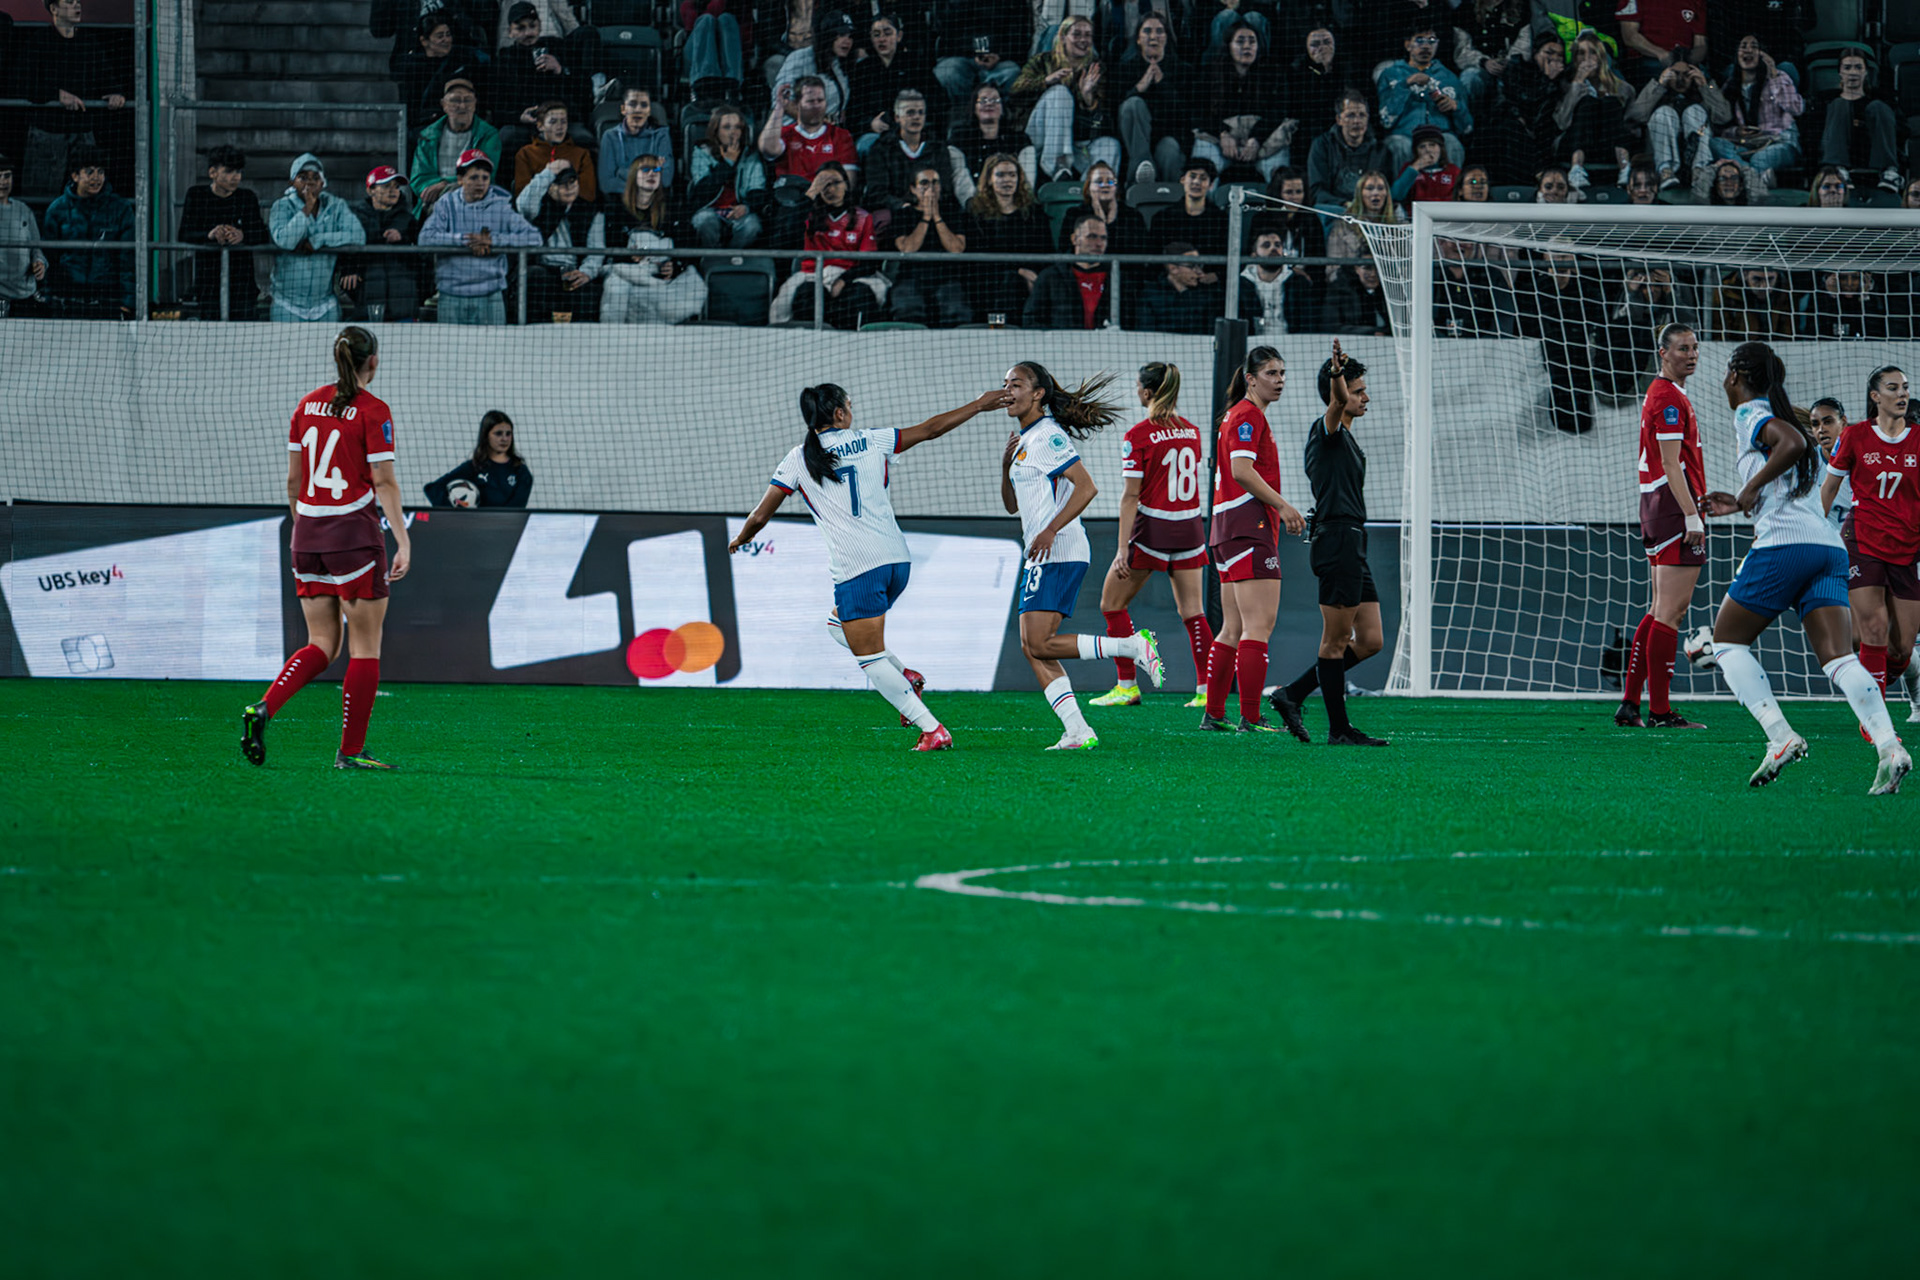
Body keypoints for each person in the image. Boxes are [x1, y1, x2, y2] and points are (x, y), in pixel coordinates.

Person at [730, 383, 1018, 751]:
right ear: (839, 415)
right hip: (897, 562)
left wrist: (741, 539)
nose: (852, 411)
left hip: (858, 568)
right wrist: (978, 405)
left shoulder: (797, 459)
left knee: (868, 658)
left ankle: (932, 729)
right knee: (837, 624)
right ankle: (905, 675)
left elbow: (759, 515)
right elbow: (932, 429)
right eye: (849, 406)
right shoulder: (872, 440)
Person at [1703, 343, 1910, 793]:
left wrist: (1746, 494)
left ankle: (1780, 737)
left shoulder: (1751, 413)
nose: (1723, 383)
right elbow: (1792, 457)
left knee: (1725, 642)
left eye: (1725, 373)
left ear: (1737, 374)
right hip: (1827, 546)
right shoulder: (1786, 417)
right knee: (1839, 658)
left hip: (1784, 546)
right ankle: (1889, 745)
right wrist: (1743, 496)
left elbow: (1792, 444)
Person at [241, 326, 411, 772]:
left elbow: (294, 484)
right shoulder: (374, 411)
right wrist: (403, 539)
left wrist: (309, 528)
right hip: (353, 536)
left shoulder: (306, 404)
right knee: (365, 647)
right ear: (372, 361)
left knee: (321, 643)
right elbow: (384, 482)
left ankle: (263, 708)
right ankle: (350, 752)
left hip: (307, 536)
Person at [999, 362, 1163, 750]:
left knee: (1039, 642)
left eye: (1016, 384)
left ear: (1038, 394)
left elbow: (1087, 488)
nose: (1007, 390)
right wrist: (1005, 466)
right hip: (1040, 550)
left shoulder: (1048, 436)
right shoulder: (1024, 441)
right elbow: (1010, 506)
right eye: (1004, 384)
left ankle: (1131, 646)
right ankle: (1077, 730)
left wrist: (1052, 529)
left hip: (1059, 547)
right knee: (1031, 645)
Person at [1268, 341, 1388, 746]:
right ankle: (1339, 729)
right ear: (1338, 393)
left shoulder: (1348, 440)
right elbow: (1336, 402)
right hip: (1336, 539)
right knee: (1334, 641)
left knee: (1370, 640)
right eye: (1358, 390)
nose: (1364, 396)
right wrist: (1338, 376)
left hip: (1353, 540)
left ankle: (1293, 694)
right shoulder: (1327, 430)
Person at [1090, 362, 1214, 709]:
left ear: (1146, 391)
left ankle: (1127, 686)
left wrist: (1120, 549)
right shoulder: (1191, 431)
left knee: (1111, 604)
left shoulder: (1139, 435)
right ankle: (1206, 691)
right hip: (1190, 527)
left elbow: (1132, 496)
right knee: (1193, 611)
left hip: (1154, 529)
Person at [1202, 345, 1307, 732]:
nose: (1279, 381)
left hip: (1225, 530)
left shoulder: (1237, 414)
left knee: (1232, 627)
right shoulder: (1248, 416)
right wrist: (1283, 506)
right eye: (1271, 374)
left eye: (1282, 374)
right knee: (1258, 627)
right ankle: (1251, 717)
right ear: (1250, 378)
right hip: (1250, 527)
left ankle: (1214, 714)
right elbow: (1241, 470)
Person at [1617, 323, 1709, 730]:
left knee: (1658, 610)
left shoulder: (1663, 393)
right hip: (1672, 509)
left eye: (1694, 348)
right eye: (1682, 348)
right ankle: (1659, 711)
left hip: (1656, 508)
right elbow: (1672, 463)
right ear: (1663, 352)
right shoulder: (1668, 398)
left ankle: (1631, 704)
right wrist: (1692, 514)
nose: (1691, 355)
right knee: (1672, 612)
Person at [1822, 366, 1920, 705]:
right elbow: (1829, 487)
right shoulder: (1855, 436)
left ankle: (1872, 676)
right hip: (1862, 540)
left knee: (1903, 646)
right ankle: (1874, 716)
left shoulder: (1919, 439)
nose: (1902, 394)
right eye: (1893, 388)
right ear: (1875, 396)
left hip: (1908, 547)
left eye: (1905, 387)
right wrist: (1816, 534)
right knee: (1873, 627)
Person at [19, 0, 132, 197]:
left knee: (89, 194)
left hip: (82, 132)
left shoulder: (89, 43)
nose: (77, 6)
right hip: (48, 133)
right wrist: (57, 95)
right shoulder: (39, 41)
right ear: (54, 8)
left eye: (78, 2)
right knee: (42, 196)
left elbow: (106, 77)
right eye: (70, 2)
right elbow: (22, 82)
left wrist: (116, 93)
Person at [415, 149, 541, 325]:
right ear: (460, 179)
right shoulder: (446, 203)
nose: (480, 183)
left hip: (491, 295)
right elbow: (425, 239)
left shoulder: (501, 205)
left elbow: (534, 238)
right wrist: (466, 240)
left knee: (493, 351)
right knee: (450, 351)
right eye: (474, 177)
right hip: (451, 295)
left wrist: (494, 241)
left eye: (485, 178)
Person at [768, 161, 883, 326]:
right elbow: (785, 233)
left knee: (862, 293)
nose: (831, 189)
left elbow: (869, 262)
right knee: (805, 293)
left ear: (846, 185)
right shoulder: (807, 214)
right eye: (824, 184)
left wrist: (843, 280)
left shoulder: (863, 217)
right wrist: (811, 192)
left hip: (850, 275)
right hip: (812, 275)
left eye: (836, 182)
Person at [1010, 17, 1120, 181]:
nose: (1083, 40)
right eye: (1077, 34)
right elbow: (1015, 90)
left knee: (1110, 145)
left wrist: (1087, 97)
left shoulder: (1096, 68)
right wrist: (1046, 81)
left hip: (1077, 143)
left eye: (1088, 35)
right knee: (1060, 93)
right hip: (1040, 137)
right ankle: (1059, 167)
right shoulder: (1042, 60)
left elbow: (1103, 117)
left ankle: (1089, 193)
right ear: (1062, 37)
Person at [602, 154, 705, 325]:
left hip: (660, 275)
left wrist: (675, 266)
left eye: (656, 170)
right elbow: (611, 247)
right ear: (634, 174)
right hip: (630, 271)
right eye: (646, 169)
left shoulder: (673, 207)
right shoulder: (615, 209)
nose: (652, 174)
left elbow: (688, 244)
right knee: (615, 286)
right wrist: (629, 256)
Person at [1189, 19, 1291, 184]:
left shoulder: (1274, 72)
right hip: (1220, 137)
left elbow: (1279, 110)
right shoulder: (1209, 73)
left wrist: (1257, 138)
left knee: (1278, 175)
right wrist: (1222, 133)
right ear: (1228, 45)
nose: (1247, 46)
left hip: (1263, 137)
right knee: (1203, 169)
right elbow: (1198, 111)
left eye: (1252, 41)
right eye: (1240, 41)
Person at [266, 154, 365, 324]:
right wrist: (307, 208)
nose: (309, 182)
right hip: (287, 303)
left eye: (315, 177)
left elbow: (358, 236)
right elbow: (284, 240)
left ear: (322, 182)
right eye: (302, 177)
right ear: (292, 182)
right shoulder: (282, 206)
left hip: (325, 303)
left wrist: (318, 240)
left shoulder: (336, 205)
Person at [177, 144, 268, 321]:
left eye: (239, 172)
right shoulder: (197, 196)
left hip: (242, 285)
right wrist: (209, 234)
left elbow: (262, 233)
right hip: (208, 284)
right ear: (213, 173)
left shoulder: (247, 198)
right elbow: (184, 233)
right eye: (228, 171)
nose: (235, 177)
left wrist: (243, 235)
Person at [488, 2, 589, 156]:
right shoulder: (504, 59)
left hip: (561, 119)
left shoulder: (559, 48)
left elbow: (581, 89)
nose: (528, 33)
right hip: (524, 124)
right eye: (520, 28)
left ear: (540, 26)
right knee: (506, 137)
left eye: (532, 26)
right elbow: (497, 107)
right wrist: (519, 116)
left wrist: (559, 70)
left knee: (583, 138)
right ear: (510, 32)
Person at [515, 160, 606, 322]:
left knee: (589, 289)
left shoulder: (592, 211)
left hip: (575, 269)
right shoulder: (538, 208)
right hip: (543, 268)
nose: (569, 188)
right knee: (535, 276)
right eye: (562, 184)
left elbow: (596, 250)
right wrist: (548, 172)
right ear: (550, 188)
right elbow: (523, 205)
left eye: (572, 182)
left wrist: (586, 272)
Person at [1377, 19, 1473, 171]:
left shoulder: (1450, 78)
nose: (1426, 46)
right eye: (1420, 40)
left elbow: (1467, 128)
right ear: (1408, 45)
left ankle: (1452, 194)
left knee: (1452, 143)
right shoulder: (1391, 75)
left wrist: (1456, 107)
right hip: (1406, 136)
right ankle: (1400, 194)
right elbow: (1386, 120)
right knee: (1397, 144)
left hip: (1440, 138)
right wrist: (1405, 85)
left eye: (1432, 41)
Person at [1708, 34, 1802, 188]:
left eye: (1754, 46)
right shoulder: (1730, 85)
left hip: (1778, 143)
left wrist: (1773, 72)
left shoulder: (1779, 77)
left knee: (1760, 159)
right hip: (1745, 146)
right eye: (1743, 46)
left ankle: (1748, 184)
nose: (1748, 50)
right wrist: (1737, 132)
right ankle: (1758, 180)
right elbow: (1722, 126)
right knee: (1715, 143)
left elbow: (1796, 108)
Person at [964, 152, 1051, 320]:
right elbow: (978, 256)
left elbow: (1046, 251)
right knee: (1011, 281)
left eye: (1012, 175)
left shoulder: (1034, 213)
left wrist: (1032, 275)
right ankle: (999, 330)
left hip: (1030, 278)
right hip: (987, 280)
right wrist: (1019, 271)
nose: (1008, 180)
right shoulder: (975, 213)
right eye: (1000, 175)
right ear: (989, 179)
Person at [885, 163, 970, 325]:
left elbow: (956, 248)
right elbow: (907, 248)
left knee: (956, 312)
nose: (931, 187)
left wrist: (937, 216)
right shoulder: (903, 215)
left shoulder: (953, 212)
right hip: (910, 278)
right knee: (908, 311)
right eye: (924, 183)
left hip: (947, 278)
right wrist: (926, 216)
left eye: (935, 182)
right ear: (913, 189)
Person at [860, 90, 963, 216]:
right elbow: (877, 193)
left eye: (921, 112)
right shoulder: (881, 149)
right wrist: (903, 206)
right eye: (910, 112)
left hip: (932, 209)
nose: (916, 117)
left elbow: (945, 188)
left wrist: (924, 205)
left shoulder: (938, 147)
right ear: (897, 118)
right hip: (896, 212)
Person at [1630, 58, 1727, 190]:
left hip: (1695, 157)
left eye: (1686, 74)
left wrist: (1705, 86)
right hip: (1659, 158)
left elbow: (1724, 116)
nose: (1680, 79)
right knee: (1664, 112)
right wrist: (1659, 85)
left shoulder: (1703, 92)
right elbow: (1637, 116)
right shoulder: (1657, 90)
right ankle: (1665, 171)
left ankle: (1700, 172)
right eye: (1675, 73)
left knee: (1695, 110)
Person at [1557, 30, 1635, 191]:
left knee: (1611, 102)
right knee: (1587, 103)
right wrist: (1577, 83)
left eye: (1592, 52)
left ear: (1601, 57)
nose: (1587, 59)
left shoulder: (1623, 88)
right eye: (1581, 53)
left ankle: (1625, 168)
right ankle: (1576, 169)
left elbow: (1631, 125)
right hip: (1574, 145)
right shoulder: (1565, 84)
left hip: (1610, 145)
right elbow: (1561, 122)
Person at [340, 166, 420, 323]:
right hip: (366, 302)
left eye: (396, 187)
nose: (393, 191)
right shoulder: (354, 217)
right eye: (386, 186)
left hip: (403, 305)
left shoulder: (408, 219)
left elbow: (423, 257)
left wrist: (402, 238)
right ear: (371, 191)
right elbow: (345, 247)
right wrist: (350, 268)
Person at [1117, 12, 1189, 184]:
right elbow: (1117, 110)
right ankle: (1142, 168)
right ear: (1138, 39)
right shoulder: (1124, 68)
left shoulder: (1183, 69)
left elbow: (1184, 115)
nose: (1153, 36)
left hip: (1167, 135)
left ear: (1166, 37)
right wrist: (1139, 87)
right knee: (1133, 103)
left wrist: (1161, 83)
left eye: (1159, 31)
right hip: (1134, 141)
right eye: (1147, 31)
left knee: (1169, 149)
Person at [409, 80, 501, 210]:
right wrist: (442, 187)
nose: (462, 106)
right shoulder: (427, 135)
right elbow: (418, 177)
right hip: (436, 200)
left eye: (468, 100)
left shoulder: (488, 135)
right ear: (444, 105)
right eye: (455, 100)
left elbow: (485, 174)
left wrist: (446, 186)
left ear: (475, 104)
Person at [687, 106, 769, 249]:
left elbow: (758, 190)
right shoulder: (702, 151)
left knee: (752, 225)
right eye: (726, 127)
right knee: (704, 221)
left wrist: (746, 207)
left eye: (737, 127)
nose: (733, 133)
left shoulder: (750, 156)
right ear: (716, 131)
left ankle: (732, 260)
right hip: (709, 210)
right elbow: (701, 190)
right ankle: (710, 261)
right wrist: (728, 162)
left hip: (739, 212)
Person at [1818, 52, 1901, 194]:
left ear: (1866, 72)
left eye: (1858, 67)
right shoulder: (1826, 99)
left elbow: (1901, 129)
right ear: (1840, 72)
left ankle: (1889, 172)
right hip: (1835, 150)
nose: (1853, 72)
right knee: (1840, 104)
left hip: (1869, 149)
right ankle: (1837, 171)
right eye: (1847, 67)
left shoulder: (1882, 100)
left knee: (1878, 107)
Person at [759, 76, 860, 184]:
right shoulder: (786, 133)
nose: (817, 106)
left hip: (827, 197)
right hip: (790, 197)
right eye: (810, 101)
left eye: (820, 100)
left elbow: (849, 181)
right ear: (798, 104)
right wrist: (780, 106)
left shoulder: (840, 135)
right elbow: (767, 149)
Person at [930, 0, 1029, 109]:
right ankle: (964, 116)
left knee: (1012, 72)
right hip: (959, 57)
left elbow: (1019, 31)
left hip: (1001, 60)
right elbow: (945, 33)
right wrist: (973, 54)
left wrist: (1000, 55)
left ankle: (1001, 117)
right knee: (948, 72)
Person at [425, 410, 533, 508]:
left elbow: (516, 511)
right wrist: (455, 511)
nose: (504, 438)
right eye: (498, 433)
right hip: (476, 527)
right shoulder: (474, 467)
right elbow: (432, 489)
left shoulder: (520, 471)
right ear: (486, 436)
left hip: (506, 528)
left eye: (508, 434)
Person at [396, 13, 486, 130]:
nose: (446, 40)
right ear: (424, 41)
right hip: (426, 125)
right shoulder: (412, 68)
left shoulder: (461, 61)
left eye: (448, 35)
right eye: (440, 36)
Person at [1307, 91, 1393, 214]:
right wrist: (1345, 204)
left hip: (1368, 211)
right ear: (1339, 119)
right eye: (1351, 115)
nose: (1357, 121)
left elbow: (1386, 190)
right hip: (1335, 209)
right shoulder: (1322, 146)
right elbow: (1316, 191)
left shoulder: (1380, 151)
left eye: (1362, 115)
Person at [1023, 211, 1109, 330]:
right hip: (1062, 346)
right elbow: (1031, 320)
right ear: (1074, 239)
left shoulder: (1118, 280)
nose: (1099, 243)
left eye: (1103, 238)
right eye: (1092, 236)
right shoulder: (1050, 277)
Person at [772, 10, 855, 124]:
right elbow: (782, 100)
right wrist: (814, 122)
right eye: (841, 34)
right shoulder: (801, 57)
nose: (847, 41)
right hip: (795, 131)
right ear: (828, 34)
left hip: (826, 134)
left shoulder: (841, 65)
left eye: (850, 36)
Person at [511, 101, 598, 199]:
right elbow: (521, 194)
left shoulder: (581, 154)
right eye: (553, 122)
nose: (560, 127)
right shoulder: (525, 154)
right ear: (540, 126)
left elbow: (588, 194)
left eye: (563, 121)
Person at [599, 87, 675, 191]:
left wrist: (621, 172)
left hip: (653, 201)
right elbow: (607, 184)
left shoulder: (661, 135)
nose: (638, 110)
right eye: (633, 104)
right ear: (623, 109)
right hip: (619, 202)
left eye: (644, 105)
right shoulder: (610, 137)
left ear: (649, 111)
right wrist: (649, 179)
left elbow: (665, 179)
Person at [949, 83, 1026, 186]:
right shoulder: (959, 139)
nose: (989, 104)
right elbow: (959, 178)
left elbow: (1025, 183)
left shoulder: (1019, 140)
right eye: (983, 100)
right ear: (974, 108)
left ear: (1003, 108)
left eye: (995, 100)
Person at [0, 155, 48, 315]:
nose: (3, 181)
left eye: (7, 176)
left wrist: (39, 263)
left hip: (23, 296)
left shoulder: (23, 210)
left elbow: (36, 249)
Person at [1137, 242, 1218, 334]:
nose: (1199, 271)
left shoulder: (1204, 295)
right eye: (1192, 265)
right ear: (1173, 268)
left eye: (1199, 265)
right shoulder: (1151, 294)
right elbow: (1144, 332)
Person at [1157, 156, 1229, 259]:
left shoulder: (1220, 219)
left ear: (1211, 185)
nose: (1196, 182)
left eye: (1203, 178)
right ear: (1182, 179)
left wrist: (1213, 274)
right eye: (1192, 176)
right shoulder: (1164, 217)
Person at [1616, 0, 1707, 81]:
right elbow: (1630, 36)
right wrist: (1661, 54)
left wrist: (1686, 63)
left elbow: (1700, 44)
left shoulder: (1697, 2)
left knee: (1706, 81)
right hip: (1649, 59)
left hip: (1685, 62)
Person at [1390, 124, 1461, 204]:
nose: (1428, 150)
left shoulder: (1453, 170)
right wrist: (1416, 167)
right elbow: (1396, 195)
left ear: (1441, 148)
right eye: (1422, 146)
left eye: (1432, 145)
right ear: (1416, 151)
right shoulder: (1409, 169)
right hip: (1415, 215)